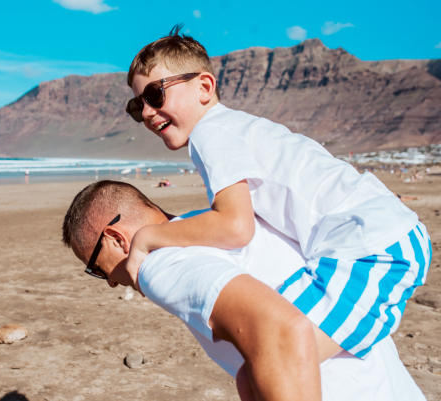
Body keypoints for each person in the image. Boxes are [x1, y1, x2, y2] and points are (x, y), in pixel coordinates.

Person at [123, 25, 431, 360]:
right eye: (138, 107)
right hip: (365, 241)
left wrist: (147, 237)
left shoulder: (211, 134)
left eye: (155, 94)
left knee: (280, 357)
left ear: (205, 86)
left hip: (371, 248)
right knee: (263, 364)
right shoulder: (231, 128)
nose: (149, 113)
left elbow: (235, 227)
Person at [61, 180, 425, 401]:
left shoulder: (161, 264)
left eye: (95, 267)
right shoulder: (212, 226)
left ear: (115, 237)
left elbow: (282, 330)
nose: (109, 281)